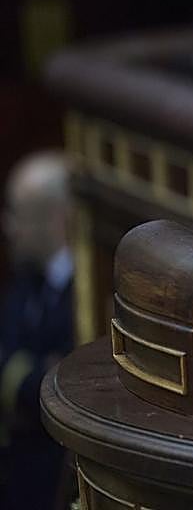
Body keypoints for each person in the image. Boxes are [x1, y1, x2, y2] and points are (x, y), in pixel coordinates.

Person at [0, 151, 74, 509]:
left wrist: (27, 374)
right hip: (18, 471)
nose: (9, 227)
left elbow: (64, 387)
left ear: (56, 219)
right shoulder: (25, 282)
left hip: (56, 474)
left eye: (19, 214)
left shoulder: (86, 293)